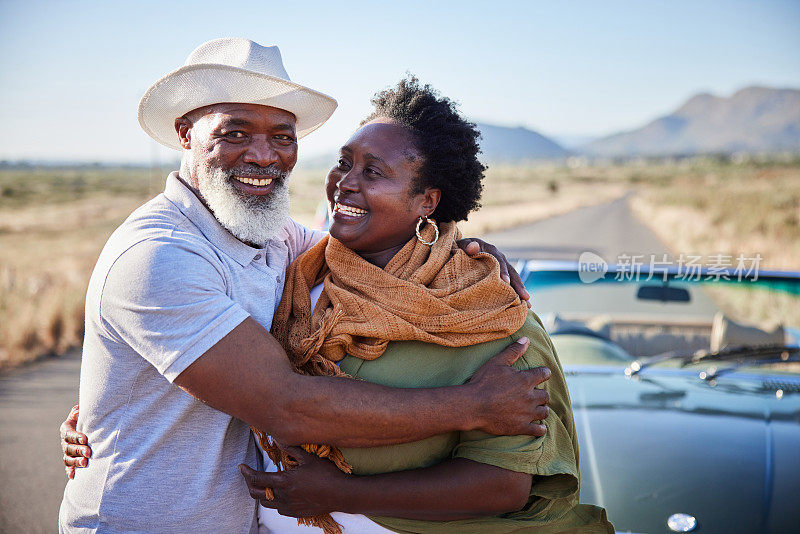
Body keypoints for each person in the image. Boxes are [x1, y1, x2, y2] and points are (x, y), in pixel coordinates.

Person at [57, 38, 551, 534]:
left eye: (282, 136)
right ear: (186, 133)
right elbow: (286, 407)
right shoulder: (157, 257)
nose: (263, 154)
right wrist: (474, 406)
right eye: (236, 132)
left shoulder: (275, 237)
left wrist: (458, 247)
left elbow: (375, 243)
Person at [234, 77, 613, 534]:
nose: (344, 184)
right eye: (343, 163)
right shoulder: (299, 273)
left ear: (427, 200)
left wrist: (340, 494)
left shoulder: (486, 313)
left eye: (373, 172)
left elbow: (502, 486)